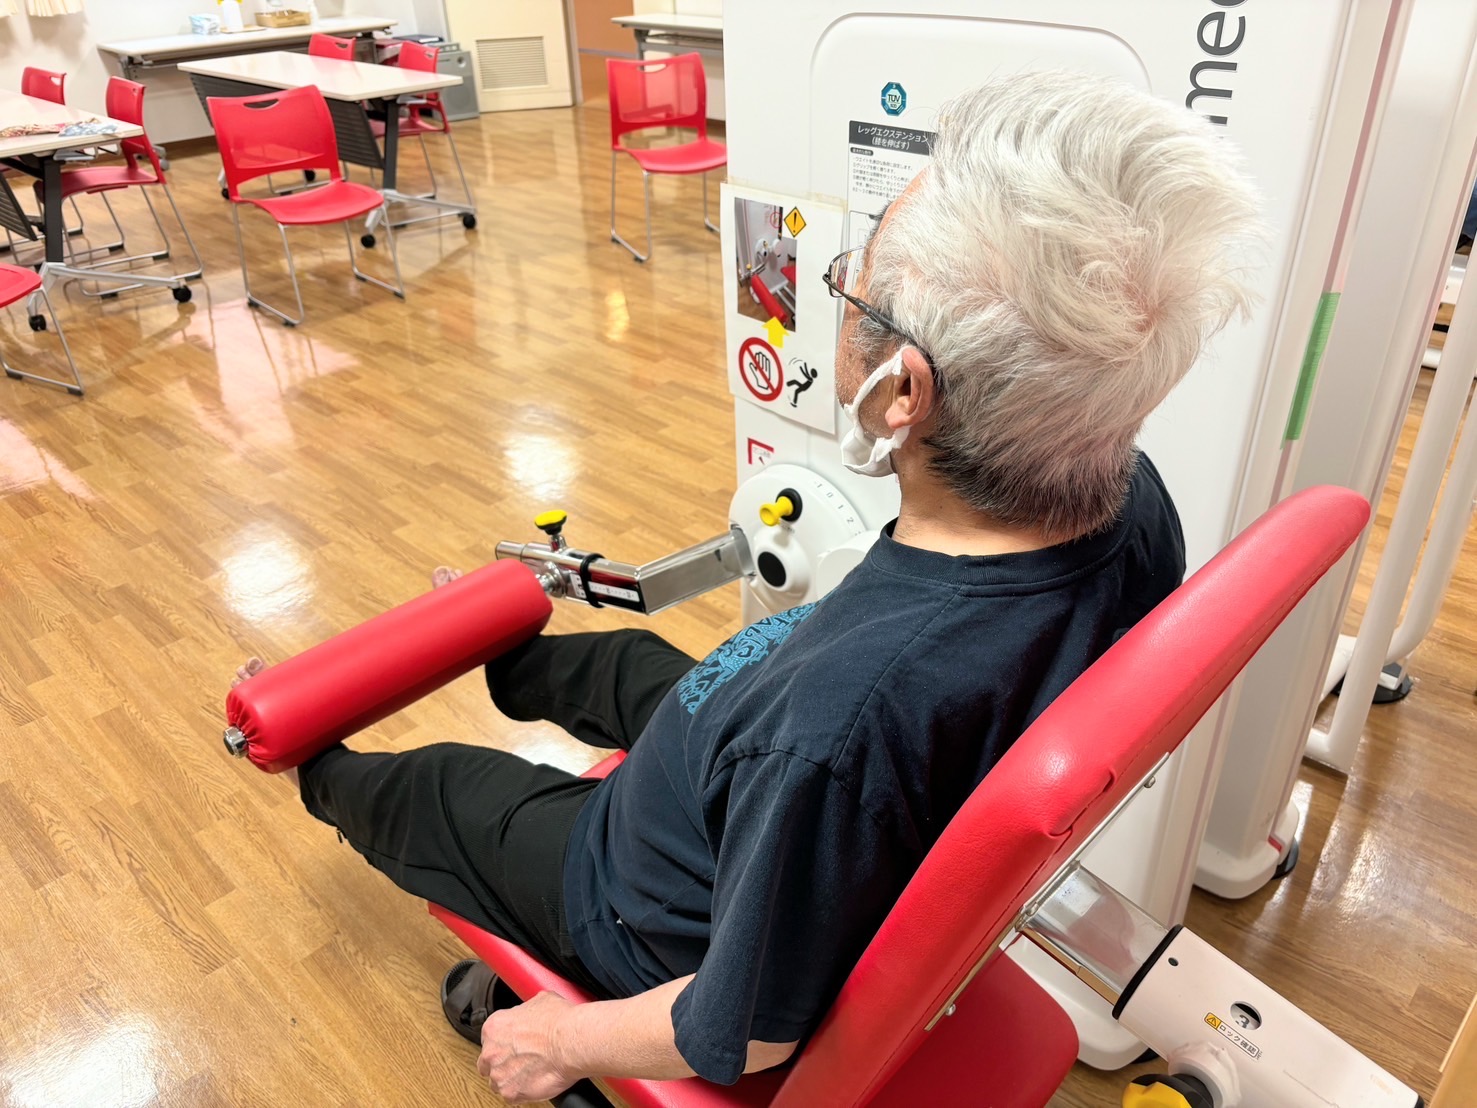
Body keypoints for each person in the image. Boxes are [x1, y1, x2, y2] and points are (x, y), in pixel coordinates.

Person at [232, 71, 1261, 1103]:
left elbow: (746, 1030)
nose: (841, 301)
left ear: (901, 389)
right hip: (760, 758)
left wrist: (564, 1040)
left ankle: (314, 758)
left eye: (853, 284)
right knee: (628, 664)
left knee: (440, 785)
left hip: (634, 905)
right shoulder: (1132, 507)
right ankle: (508, 659)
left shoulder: (834, 731)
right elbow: (832, 728)